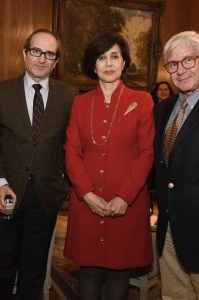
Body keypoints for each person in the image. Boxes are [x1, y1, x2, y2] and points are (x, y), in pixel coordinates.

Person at [0, 28, 77, 300]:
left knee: (34, 271)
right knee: (2, 267)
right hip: (7, 193)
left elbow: (72, 143)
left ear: (56, 61)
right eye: (36, 51)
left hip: (45, 197)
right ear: (25, 54)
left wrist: (65, 183)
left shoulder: (69, 95)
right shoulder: (1, 91)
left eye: (49, 54)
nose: (42, 58)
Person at [64, 32, 154, 300]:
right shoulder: (80, 103)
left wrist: (124, 197)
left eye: (115, 56)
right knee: (88, 272)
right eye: (102, 58)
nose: (109, 63)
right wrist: (86, 193)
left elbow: (146, 153)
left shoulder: (143, 101)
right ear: (94, 65)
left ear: (124, 62)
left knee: (119, 274)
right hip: (86, 201)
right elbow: (71, 150)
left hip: (128, 204)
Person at [154, 30, 199, 300]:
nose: (180, 70)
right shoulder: (162, 108)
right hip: (169, 226)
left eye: (189, 60)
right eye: (173, 64)